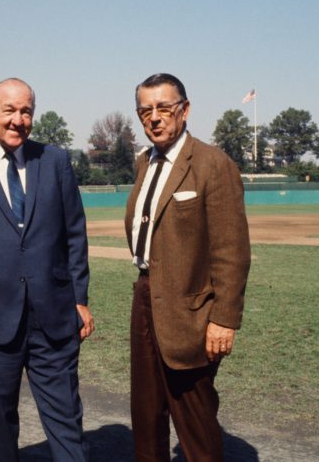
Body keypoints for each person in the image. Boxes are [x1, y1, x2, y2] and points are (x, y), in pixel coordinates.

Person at [0, 78, 94, 462]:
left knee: (66, 421)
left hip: (54, 316)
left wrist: (79, 298)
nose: (18, 119)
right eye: (9, 110)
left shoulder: (56, 160)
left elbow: (74, 235)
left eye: (26, 111)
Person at [125, 73, 251, 461]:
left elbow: (232, 249)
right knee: (146, 416)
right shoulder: (144, 163)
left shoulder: (213, 164)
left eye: (165, 108)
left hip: (192, 312)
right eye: (146, 110)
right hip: (146, 296)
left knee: (194, 421)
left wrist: (224, 319)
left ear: (185, 110)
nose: (155, 118)